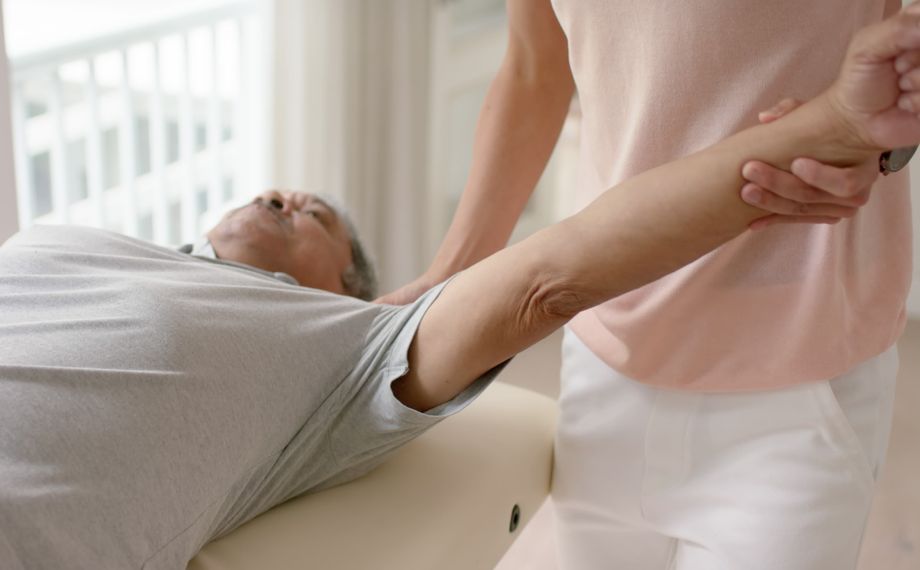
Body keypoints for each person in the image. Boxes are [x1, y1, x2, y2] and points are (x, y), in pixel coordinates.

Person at [0, 9, 920, 570]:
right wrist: (453, 267)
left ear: (345, 290)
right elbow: (536, 71)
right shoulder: (80, 242)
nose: (287, 192)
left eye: (317, 215)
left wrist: (848, 132)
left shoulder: (337, 348)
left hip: (795, 340)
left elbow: (550, 275)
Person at [379, 1, 920, 568]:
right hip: (606, 356)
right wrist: (449, 277)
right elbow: (535, 68)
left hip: (800, 367)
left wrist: (880, 137)